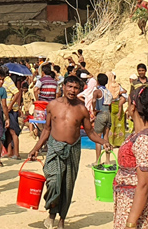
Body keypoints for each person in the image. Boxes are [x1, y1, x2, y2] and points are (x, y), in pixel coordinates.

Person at [29, 76, 110, 229]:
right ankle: (52, 213)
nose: (72, 90)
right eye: (70, 86)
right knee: (54, 181)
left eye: (76, 88)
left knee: (67, 186)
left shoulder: (82, 110)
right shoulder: (52, 105)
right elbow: (46, 130)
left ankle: (61, 219)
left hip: (73, 149)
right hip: (54, 148)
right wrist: (35, 148)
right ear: (64, 86)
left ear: (80, 90)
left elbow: (90, 133)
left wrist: (103, 141)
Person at [113, 85, 148, 229]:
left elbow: (144, 183)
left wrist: (131, 222)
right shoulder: (145, 134)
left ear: (133, 107)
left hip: (136, 208)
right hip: (130, 204)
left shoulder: (144, 140)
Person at [3, 74, 27, 159]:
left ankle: (16, 153)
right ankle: (10, 152)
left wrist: (10, 105)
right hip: (9, 109)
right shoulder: (6, 81)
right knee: (9, 132)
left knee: (13, 132)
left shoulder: (8, 81)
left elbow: (17, 92)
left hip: (11, 110)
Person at [92, 73, 113, 166]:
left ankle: (98, 160)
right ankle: (108, 160)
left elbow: (93, 101)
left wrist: (93, 110)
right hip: (108, 113)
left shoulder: (97, 91)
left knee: (98, 138)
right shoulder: (109, 92)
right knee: (106, 138)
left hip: (101, 113)